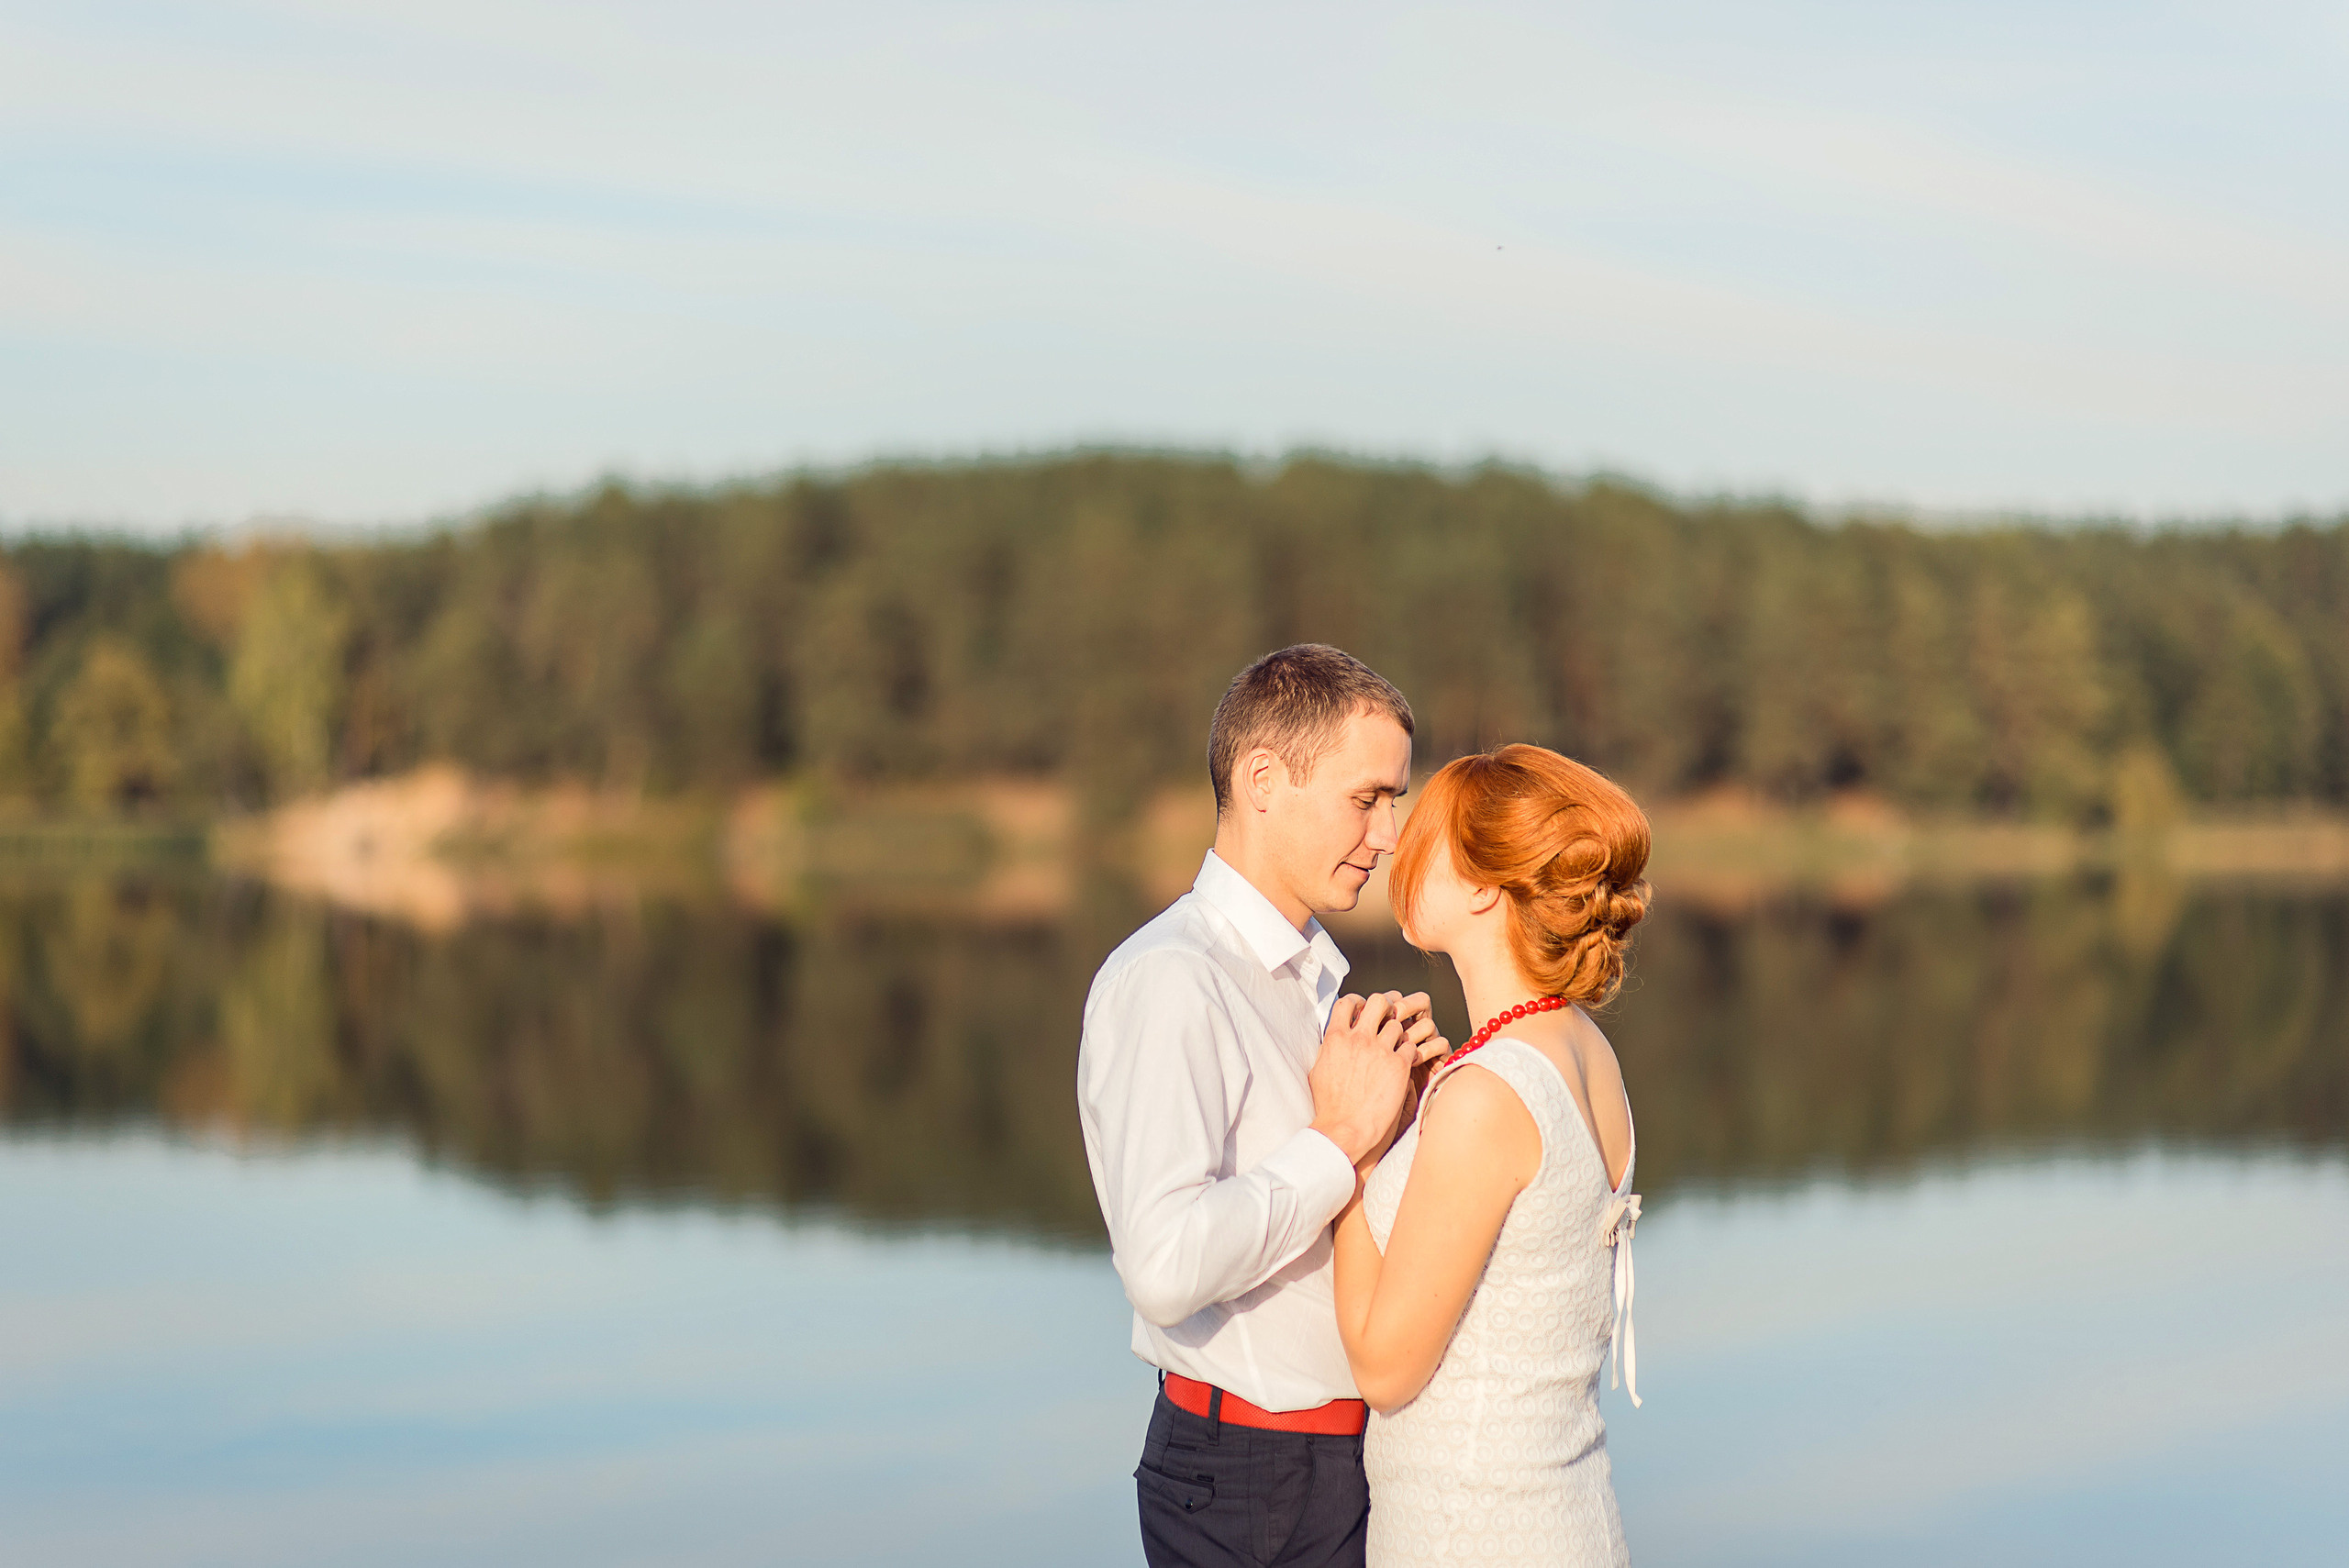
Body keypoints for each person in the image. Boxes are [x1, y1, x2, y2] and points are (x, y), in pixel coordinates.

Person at [1077, 644, 1451, 1568]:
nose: (1390, 832)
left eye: (1393, 798)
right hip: (1248, 1475)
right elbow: (1161, 1265)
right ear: (1261, 780)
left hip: (1339, 1460)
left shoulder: (1315, 980)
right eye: (1366, 796)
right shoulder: (1172, 978)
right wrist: (1339, 1140)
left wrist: (1398, 1130)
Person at [1332, 744, 1651, 1568]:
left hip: (1473, 1532)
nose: (1396, 845)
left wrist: (1352, 1152)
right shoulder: (1583, 1048)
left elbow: (1385, 1368)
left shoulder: (1487, 1095)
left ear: (1480, 884)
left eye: (1424, 834)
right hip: (1569, 1515)